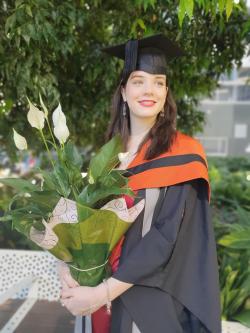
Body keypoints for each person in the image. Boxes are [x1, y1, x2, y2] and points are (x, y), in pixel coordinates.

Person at [59, 33, 221, 333]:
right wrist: (67, 265)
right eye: (138, 80)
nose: (150, 89)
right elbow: (79, 225)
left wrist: (102, 292)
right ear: (123, 92)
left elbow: (164, 238)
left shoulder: (183, 153)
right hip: (94, 300)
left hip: (147, 303)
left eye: (158, 82)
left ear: (166, 92)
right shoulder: (107, 157)